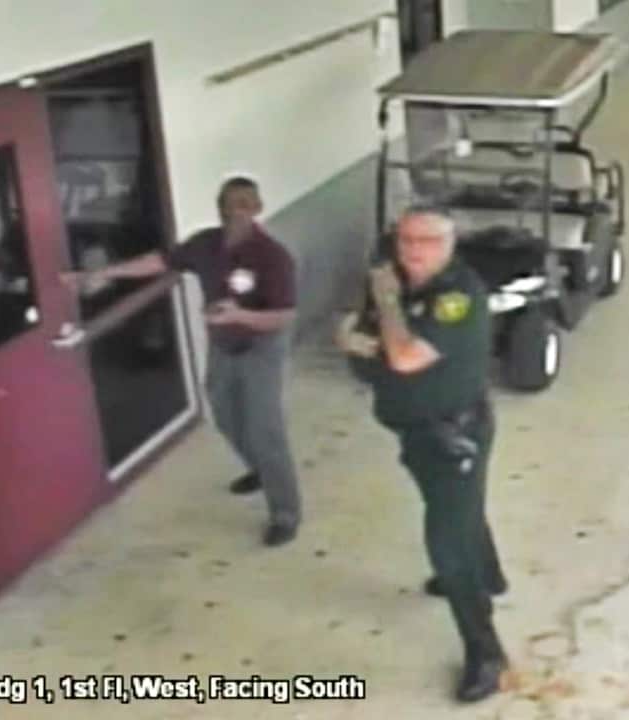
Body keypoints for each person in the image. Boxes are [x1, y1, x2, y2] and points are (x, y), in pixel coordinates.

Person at [62, 176, 302, 547]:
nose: (233, 210)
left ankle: (285, 512)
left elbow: (284, 315)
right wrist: (101, 273)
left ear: (257, 208)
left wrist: (238, 315)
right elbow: (158, 261)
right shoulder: (206, 244)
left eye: (242, 203)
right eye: (227, 202)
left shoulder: (273, 257)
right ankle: (259, 468)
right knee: (223, 410)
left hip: (261, 346)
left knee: (264, 426)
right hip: (224, 343)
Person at [335, 207, 510, 702]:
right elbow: (368, 338)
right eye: (406, 239)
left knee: (448, 546)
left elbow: (406, 356)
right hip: (418, 432)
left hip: (452, 436)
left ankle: (487, 654)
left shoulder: (455, 296)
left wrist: (385, 307)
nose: (413, 250)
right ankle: (492, 575)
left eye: (428, 241)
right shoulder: (406, 286)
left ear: (450, 244)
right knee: (460, 507)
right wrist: (367, 341)